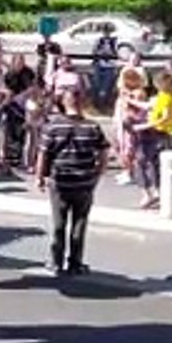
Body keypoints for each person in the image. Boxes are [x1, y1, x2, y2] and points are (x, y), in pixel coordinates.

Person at [35, 89, 110, 276]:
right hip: (84, 182)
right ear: (82, 102)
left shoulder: (53, 127)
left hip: (60, 181)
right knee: (80, 223)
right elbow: (103, 152)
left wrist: (39, 177)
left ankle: (56, 262)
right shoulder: (92, 127)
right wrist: (97, 173)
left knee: (59, 223)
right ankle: (75, 263)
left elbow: (43, 154)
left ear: (63, 103)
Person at [130, 70, 172, 210]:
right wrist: (132, 101)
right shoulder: (165, 96)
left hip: (157, 133)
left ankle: (149, 193)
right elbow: (149, 106)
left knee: (143, 162)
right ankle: (156, 192)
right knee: (153, 164)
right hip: (161, 134)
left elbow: (164, 117)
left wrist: (144, 126)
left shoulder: (166, 98)